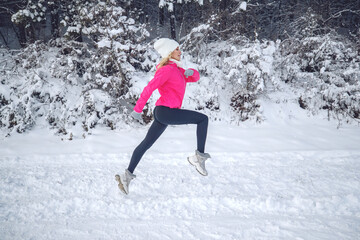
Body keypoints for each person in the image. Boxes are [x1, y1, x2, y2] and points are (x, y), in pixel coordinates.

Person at [115, 38, 211, 195]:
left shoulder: (178, 71)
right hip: (166, 111)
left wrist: (190, 72)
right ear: (169, 52)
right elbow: (149, 88)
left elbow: (195, 78)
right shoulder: (166, 70)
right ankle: (198, 157)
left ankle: (126, 176)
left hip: (164, 112)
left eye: (180, 49)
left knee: (146, 144)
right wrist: (138, 109)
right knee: (203, 119)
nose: (180, 51)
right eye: (177, 49)